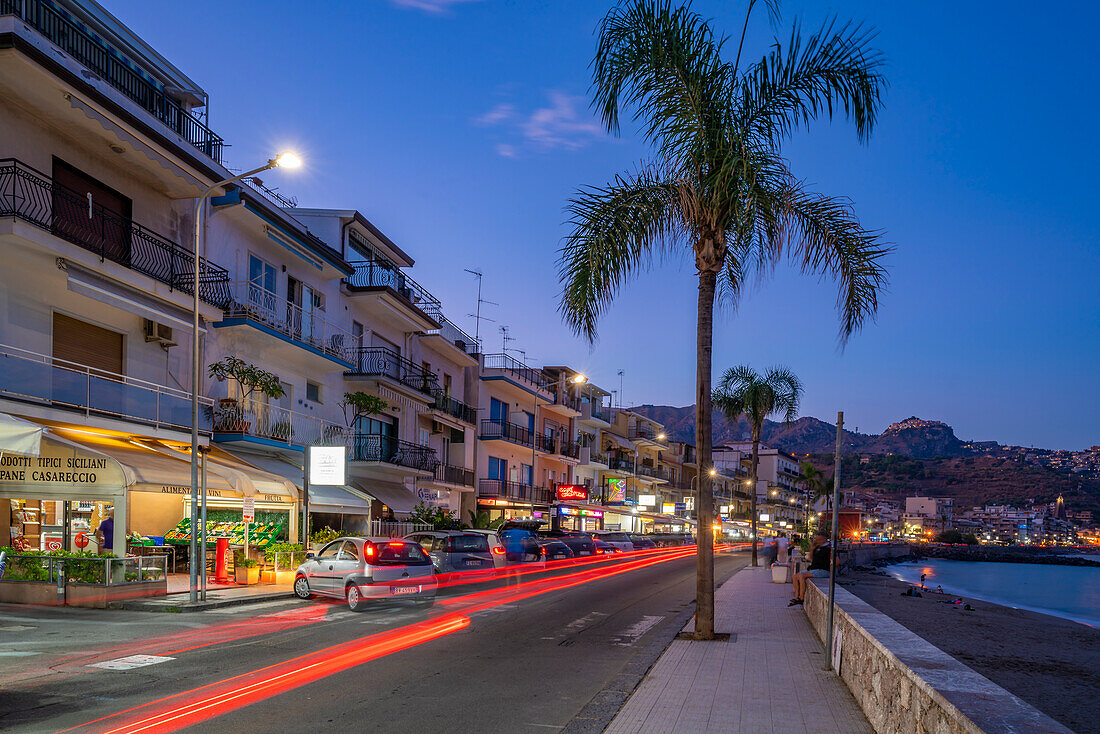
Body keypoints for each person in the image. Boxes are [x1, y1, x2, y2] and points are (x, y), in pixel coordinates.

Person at [788, 533, 830, 606]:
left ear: (824, 540)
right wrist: (812, 548)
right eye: (816, 540)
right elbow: (811, 557)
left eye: (819, 540)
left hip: (822, 570)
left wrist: (827, 567)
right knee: (795, 577)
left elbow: (837, 561)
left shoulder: (828, 549)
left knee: (802, 576)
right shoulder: (817, 547)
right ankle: (796, 597)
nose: (817, 541)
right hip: (814, 569)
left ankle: (801, 598)